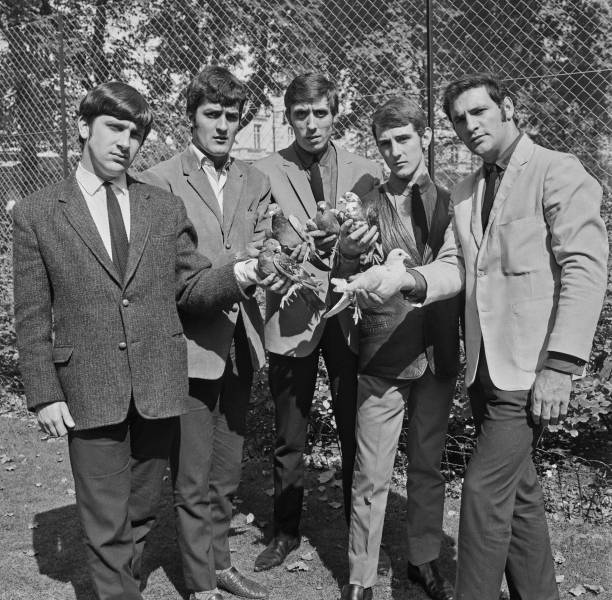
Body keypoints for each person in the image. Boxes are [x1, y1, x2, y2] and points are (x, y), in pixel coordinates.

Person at [343, 73, 608, 600]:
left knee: (482, 499)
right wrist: (407, 280)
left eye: (479, 112)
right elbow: (455, 267)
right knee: (523, 504)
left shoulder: (557, 171)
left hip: (531, 371)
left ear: (508, 108)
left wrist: (559, 365)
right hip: (483, 372)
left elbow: (585, 266)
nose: (470, 125)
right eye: (460, 118)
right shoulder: (467, 192)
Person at [12, 81, 281, 600]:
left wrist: (247, 270)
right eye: (115, 128)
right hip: (88, 385)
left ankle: (123, 584)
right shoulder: (39, 213)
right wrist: (44, 393)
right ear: (84, 127)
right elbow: (31, 315)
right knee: (107, 519)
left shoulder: (161, 207)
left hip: (159, 384)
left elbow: (192, 285)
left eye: (135, 133)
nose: (125, 143)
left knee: (140, 511)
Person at [140, 66, 272, 600]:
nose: (222, 126)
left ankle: (218, 562)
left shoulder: (255, 180)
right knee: (191, 476)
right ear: (190, 116)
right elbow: (175, 273)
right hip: (188, 346)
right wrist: (243, 267)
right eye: (211, 114)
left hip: (241, 341)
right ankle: (200, 584)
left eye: (231, 117)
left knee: (227, 471)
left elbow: (266, 245)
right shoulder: (158, 180)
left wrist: (276, 258)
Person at [252, 72, 382, 571]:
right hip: (292, 314)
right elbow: (260, 239)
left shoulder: (366, 171)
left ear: (334, 114)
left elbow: (379, 236)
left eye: (320, 113)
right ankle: (285, 531)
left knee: (356, 429)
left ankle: (358, 533)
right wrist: (285, 246)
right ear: (289, 118)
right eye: (301, 115)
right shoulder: (263, 171)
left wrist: (354, 247)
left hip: (349, 316)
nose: (311, 124)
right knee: (290, 434)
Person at [337, 97, 460, 600]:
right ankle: (361, 580)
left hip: (436, 351)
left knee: (428, 465)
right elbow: (343, 279)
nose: (394, 151)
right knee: (371, 474)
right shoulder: (362, 203)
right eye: (385, 144)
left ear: (425, 137)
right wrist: (346, 252)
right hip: (384, 353)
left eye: (404, 139)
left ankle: (423, 561)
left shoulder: (455, 200)